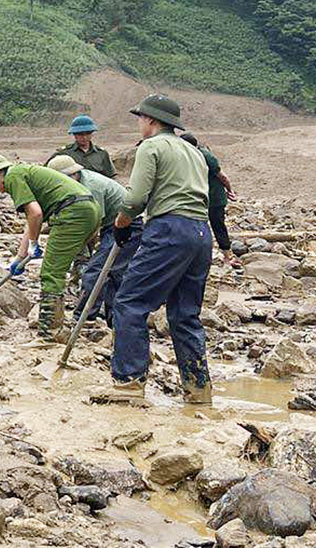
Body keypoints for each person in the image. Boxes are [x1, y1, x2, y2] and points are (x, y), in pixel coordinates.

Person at [101, 95, 212, 406]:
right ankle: (198, 390)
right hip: (201, 233)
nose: (139, 124)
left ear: (150, 120)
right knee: (185, 315)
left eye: (140, 118)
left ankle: (128, 383)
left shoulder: (151, 146)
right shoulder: (194, 151)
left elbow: (135, 198)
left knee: (130, 302)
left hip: (169, 229)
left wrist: (121, 224)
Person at [0, 155, 101, 343]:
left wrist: (34, 244)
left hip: (72, 212)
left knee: (51, 272)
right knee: (68, 265)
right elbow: (32, 219)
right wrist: (20, 257)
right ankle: (63, 323)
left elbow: (35, 214)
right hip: (89, 210)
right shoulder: (25, 172)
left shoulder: (13, 177)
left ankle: (49, 333)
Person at [47, 154, 143, 326]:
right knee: (114, 272)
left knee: (97, 271)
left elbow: (93, 224)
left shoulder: (90, 187)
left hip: (127, 226)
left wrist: (84, 251)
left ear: (73, 175)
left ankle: (85, 317)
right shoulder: (77, 184)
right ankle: (114, 319)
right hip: (113, 224)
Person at [181, 133, 239, 267]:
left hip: (214, 198)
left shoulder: (206, 156)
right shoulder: (190, 156)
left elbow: (222, 176)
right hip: (200, 197)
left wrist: (229, 191)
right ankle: (199, 256)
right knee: (198, 226)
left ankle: (227, 256)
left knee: (217, 225)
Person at [48, 115, 117, 178]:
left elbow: (111, 177)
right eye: (80, 134)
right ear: (74, 135)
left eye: (88, 133)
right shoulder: (63, 153)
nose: (84, 137)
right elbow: (48, 173)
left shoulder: (102, 154)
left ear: (92, 133)